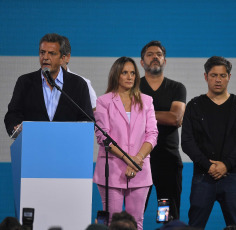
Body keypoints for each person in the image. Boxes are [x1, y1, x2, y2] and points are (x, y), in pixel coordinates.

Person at [181, 56, 236, 228]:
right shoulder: (194, 105)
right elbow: (187, 141)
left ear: (229, 77)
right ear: (205, 77)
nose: (218, 80)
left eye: (222, 75)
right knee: (195, 226)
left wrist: (226, 165)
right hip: (203, 177)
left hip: (232, 176)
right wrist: (208, 165)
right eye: (213, 75)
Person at [93, 57, 158, 230]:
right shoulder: (103, 101)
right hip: (112, 170)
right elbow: (102, 136)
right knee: (111, 223)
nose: (130, 77)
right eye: (124, 73)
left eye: (133, 73)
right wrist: (130, 160)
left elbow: (152, 134)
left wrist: (137, 159)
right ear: (116, 75)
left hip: (139, 169)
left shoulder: (147, 101)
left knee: (136, 222)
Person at [4, 33, 94, 136]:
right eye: (42, 52)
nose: (45, 57)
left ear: (62, 58)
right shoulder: (25, 82)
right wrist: (16, 128)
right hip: (33, 145)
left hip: (66, 146)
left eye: (51, 53)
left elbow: (87, 120)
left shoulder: (78, 84)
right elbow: (13, 115)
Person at [139, 41, 186, 220]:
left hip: (167, 162)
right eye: (150, 54)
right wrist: (161, 115)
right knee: (136, 212)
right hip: (138, 160)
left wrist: (142, 112)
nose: (155, 57)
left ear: (164, 61)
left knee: (166, 215)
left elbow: (175, 118)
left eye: (159, 54)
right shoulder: (133, 87)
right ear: (142, 63)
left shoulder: (176, 88)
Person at [61, 36, 97, 110]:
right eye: (43, 52)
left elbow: (94, 112)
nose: (47, 58)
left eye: (53, 54)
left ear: (67, 57)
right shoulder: (32, 82)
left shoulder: (83, 84)